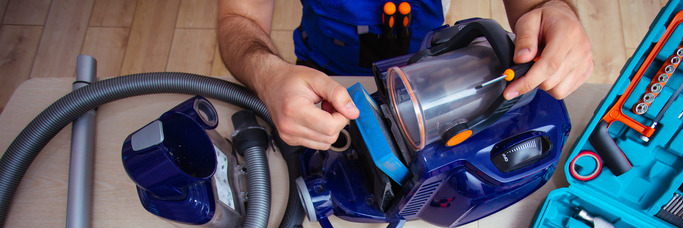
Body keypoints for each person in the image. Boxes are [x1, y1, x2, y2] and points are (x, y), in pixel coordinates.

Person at [217, 0, 592, 150]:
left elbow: (537, 7)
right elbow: (239, 19)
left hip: (434, 73)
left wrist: (555, 14)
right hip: (315, 81)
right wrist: (269, 75)